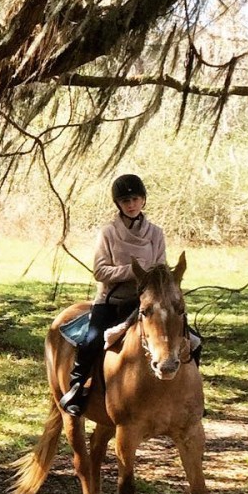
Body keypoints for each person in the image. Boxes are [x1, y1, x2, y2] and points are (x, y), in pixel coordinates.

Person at [59, 173, 166, 417]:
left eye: (135, 199)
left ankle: (188, 394)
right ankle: (76, 388)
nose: (131, 204)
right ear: (118, 203)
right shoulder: (108, 232)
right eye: (125, 200)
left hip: (146, 301)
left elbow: (160, 268)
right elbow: (100, 270)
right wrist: (133, 270)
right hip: (112, 300)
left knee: (188, 336)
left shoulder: (156, 234)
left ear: (143, 200)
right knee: (92, 340)